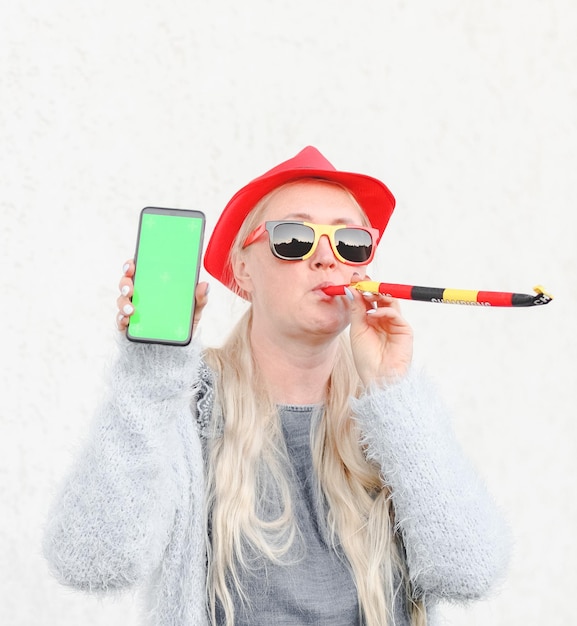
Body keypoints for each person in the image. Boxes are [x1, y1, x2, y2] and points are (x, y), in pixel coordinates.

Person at [43, 146, 510, 626]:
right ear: (243, 269)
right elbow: (92, 564)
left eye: (350, 242)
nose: (328, 259)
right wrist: (149, 377)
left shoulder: (388, 416)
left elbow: (469, 572)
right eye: (294, 238)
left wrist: (393, 394)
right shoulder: (186, 401)